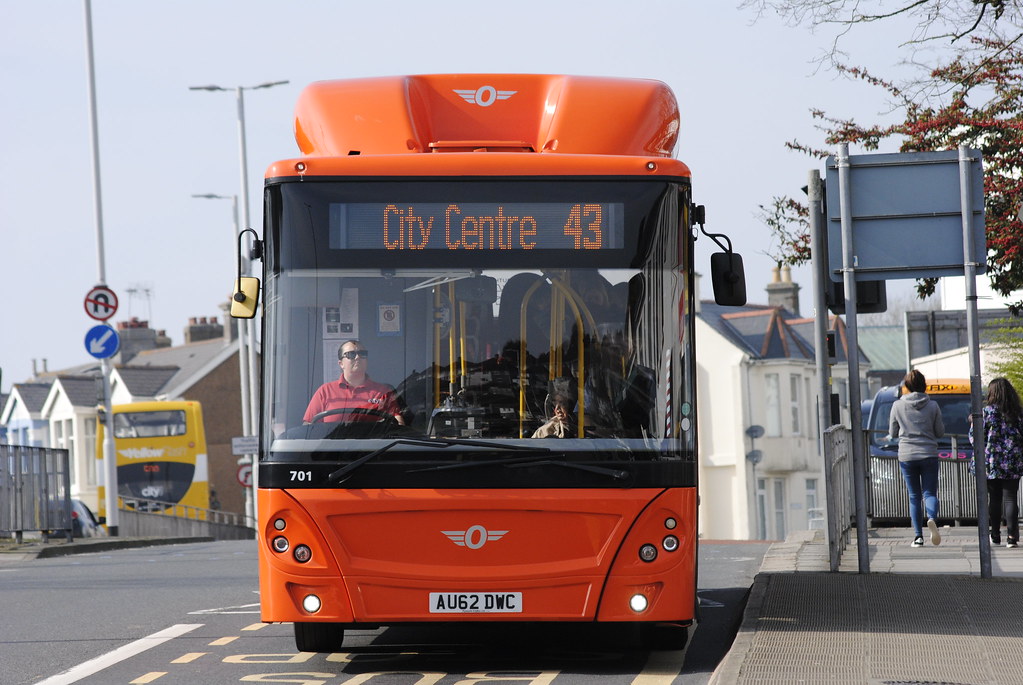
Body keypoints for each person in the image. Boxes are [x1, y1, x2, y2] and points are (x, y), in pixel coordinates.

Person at [889, 369, 944, 547]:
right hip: (929, 453)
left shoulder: (897, 405)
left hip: (907, 455)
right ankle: (932, 518)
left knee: (914, 496)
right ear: (924, 385)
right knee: (929, 492)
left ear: (907, 386)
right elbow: (940, 432)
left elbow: (893, 432)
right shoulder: (933, 405)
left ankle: (918, 537)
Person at [972, 378, 1023, 548]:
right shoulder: (1017, 413)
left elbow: (975, 437)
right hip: (1013, 461)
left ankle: (995, 534)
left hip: (991, 462)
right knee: (1010, 498)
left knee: (994, 499)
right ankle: (1012, 537)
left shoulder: (986, 412)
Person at [304, 340, 405, 425]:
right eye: (351, 354)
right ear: (341, 364)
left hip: (374, 448)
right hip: (332, 448)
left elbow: (398, 425)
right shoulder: (325, 391)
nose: (357, 357)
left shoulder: (383, 392)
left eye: (362, 354)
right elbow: (308, 427)